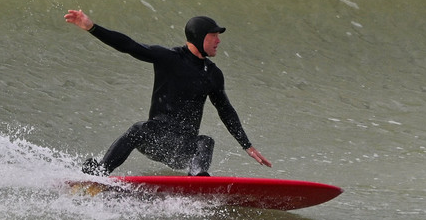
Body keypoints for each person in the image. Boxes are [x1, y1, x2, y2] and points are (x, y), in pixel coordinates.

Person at [64, 9, 272, 176]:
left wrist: (247, 145)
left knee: (206, 141)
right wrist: (92, 28)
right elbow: (129, 46)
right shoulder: (169, 58)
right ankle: (101, 172)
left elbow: (225, 110)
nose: (218, 41)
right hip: (156, 140)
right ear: (200, 38)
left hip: (182, 148)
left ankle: (198, 180)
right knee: (138, 128)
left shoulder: (213, 74)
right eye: (214, 36)